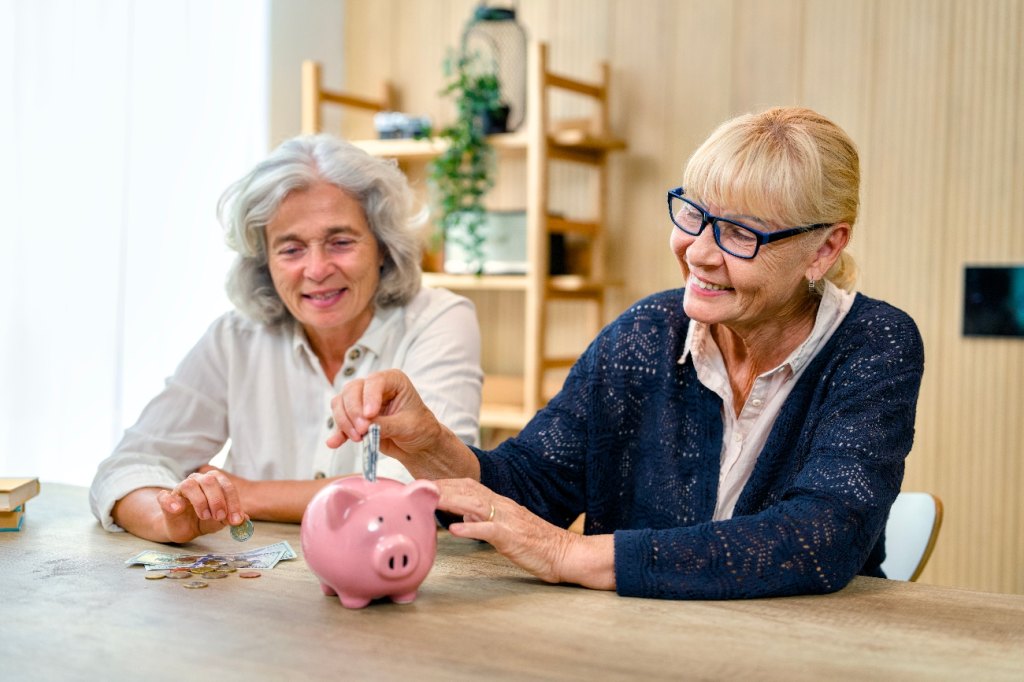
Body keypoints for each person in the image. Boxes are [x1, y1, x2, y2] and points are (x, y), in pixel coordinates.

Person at [328, 107, 925, 600]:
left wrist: (568, 553)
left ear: (824, 249)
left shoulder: (874, 344)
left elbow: (820, 539)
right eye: (694, 213)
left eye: (742, 233)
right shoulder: (647, 333)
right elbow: (532, 488)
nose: (698, 252)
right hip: (638, 646)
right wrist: (431, 446)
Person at [90, 134, 483, 543]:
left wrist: (247, 494)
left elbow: (427, 487)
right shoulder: (234, 337)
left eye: (341, 242)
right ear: (265, 261)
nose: (317, 269)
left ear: (383, 247)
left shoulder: (439, 319)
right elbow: (126, 468)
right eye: (291, 249)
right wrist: (168, 518)